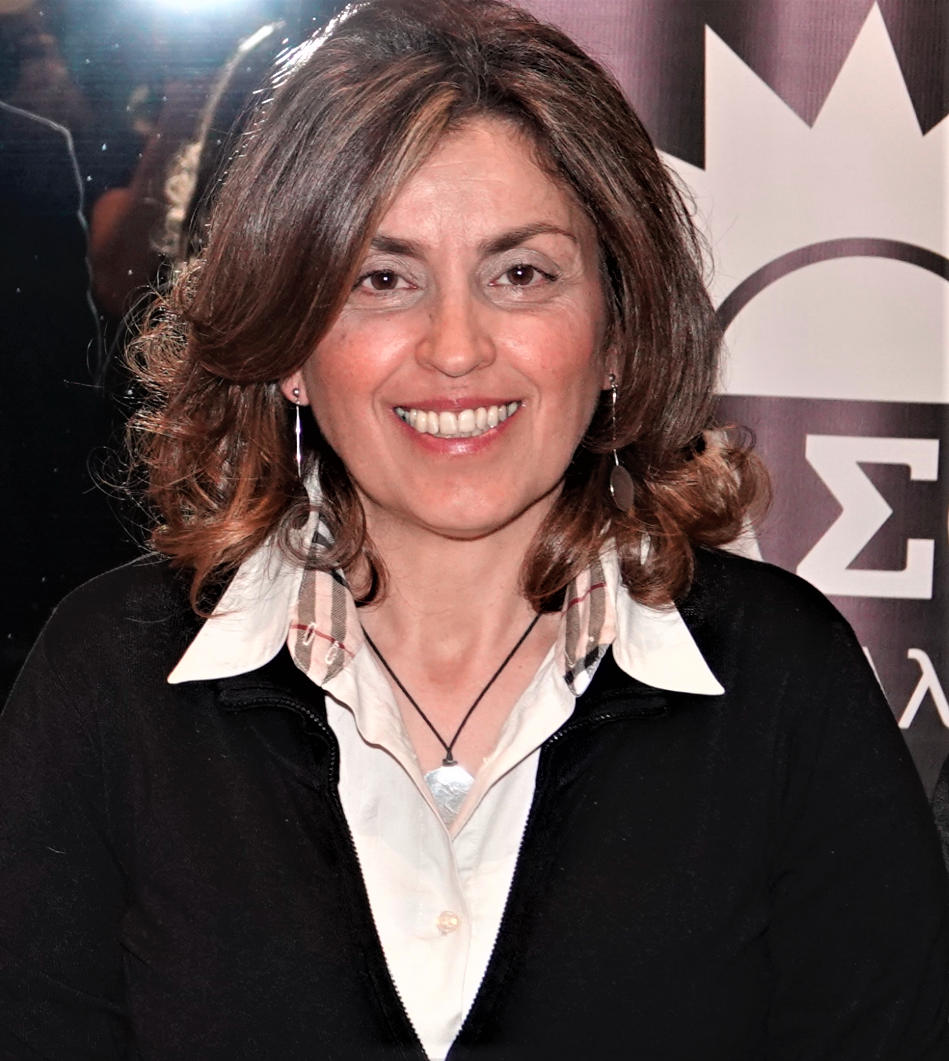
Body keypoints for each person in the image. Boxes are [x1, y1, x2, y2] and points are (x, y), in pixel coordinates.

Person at [1, 0, 947, 1057]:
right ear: (288, 345)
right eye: (382, 279)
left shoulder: (784, 678)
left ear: (618, 330)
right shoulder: (108, 679)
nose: (455, 348)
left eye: (521, 274)